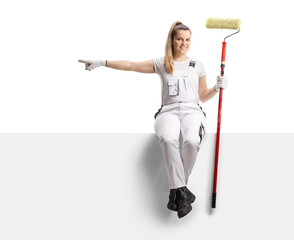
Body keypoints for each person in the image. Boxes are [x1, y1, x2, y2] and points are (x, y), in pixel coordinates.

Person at [78, 21, 228, 218]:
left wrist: (217, 88)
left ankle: (178, 190)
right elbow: (131, 65)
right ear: (172, 40)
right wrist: (103, 62)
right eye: (180, 39)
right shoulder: (162, 63)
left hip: (193, 111)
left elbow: (203, 96)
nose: (184, 43)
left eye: (188, 39)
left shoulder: (197, 65)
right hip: (168, 111)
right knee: (167, 139)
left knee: (192, 141)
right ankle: (182, 191)